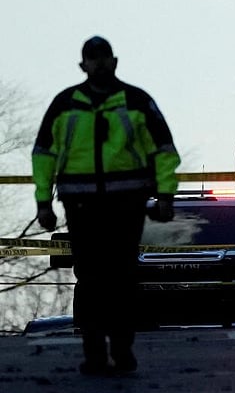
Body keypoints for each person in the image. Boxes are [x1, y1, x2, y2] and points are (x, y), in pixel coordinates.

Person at [31, 36, 181, 375]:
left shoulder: (137, 101)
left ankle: (123, 350)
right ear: (82, 65)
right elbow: (43, 154)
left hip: (126, 202)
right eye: (91, 58)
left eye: (103, 57)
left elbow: (164, 150)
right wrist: (43, 202)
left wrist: (166, 196)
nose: (98, 63)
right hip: (81, 203)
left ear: (114, 61)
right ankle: (95, 353)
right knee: (90, 275)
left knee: (123, 274)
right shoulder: (65, 103)